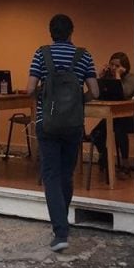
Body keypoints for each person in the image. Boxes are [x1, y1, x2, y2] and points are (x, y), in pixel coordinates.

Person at [26, 14, 98, 252]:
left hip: (46, 123)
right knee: (66, 174)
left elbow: (29, 89)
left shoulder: (41, 54)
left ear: (51, 33)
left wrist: (44, 98)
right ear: (71, 32)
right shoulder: (84, 56)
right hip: (73, 124)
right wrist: (78, 100)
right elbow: (95, 92)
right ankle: (62, 224)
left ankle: (60, 231)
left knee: (51, 175)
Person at [90, 51, 134, 173]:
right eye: (112, 65)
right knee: (96, 133)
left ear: (124, 67)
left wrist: (117, 75)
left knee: (120, 129)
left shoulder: (131, 78)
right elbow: (98, 94)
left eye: (117, 66)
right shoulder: (108, 77)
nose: (113, 68)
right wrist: (100, 77)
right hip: (112, 115)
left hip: (129, 117)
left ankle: (125, 163)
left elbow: (123, 94)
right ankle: (103, 156)